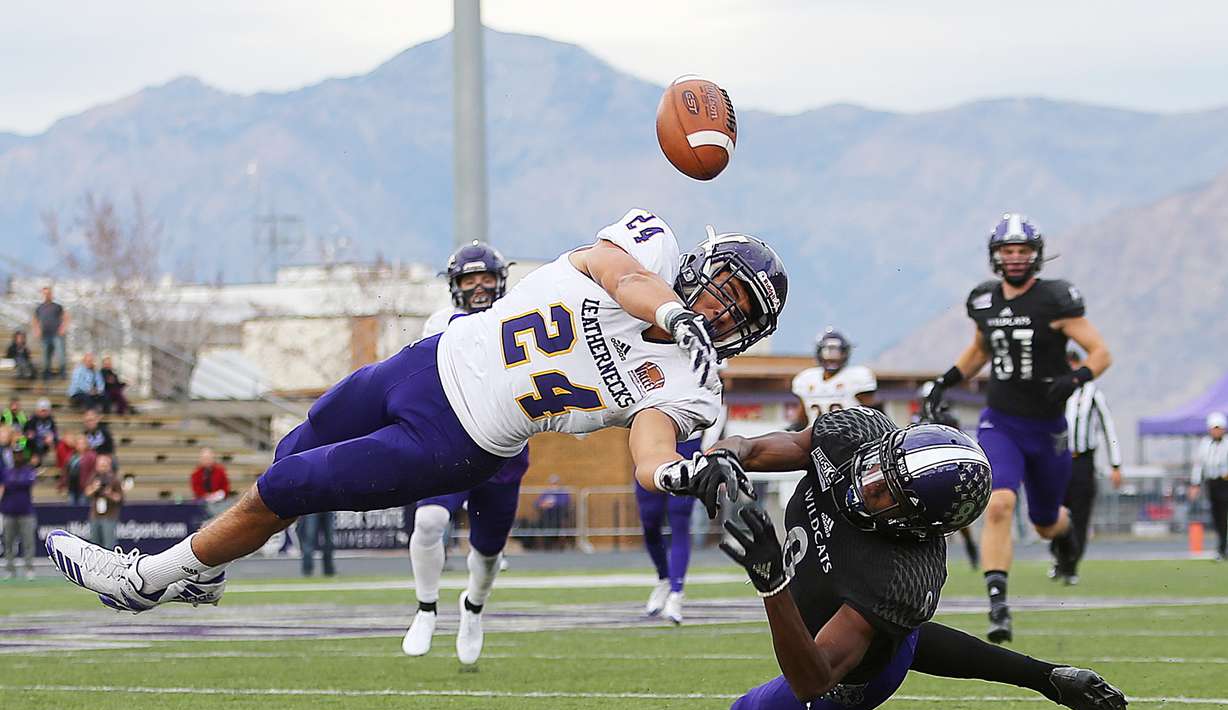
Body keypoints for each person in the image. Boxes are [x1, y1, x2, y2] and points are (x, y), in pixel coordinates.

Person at [46, 209, 790, 615]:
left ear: (746, 335)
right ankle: (206, 574)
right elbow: (615, 273)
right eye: (724, 288)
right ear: (699, 266)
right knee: (296, 445)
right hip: (424, 364)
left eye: (738, 313)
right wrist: (668, 309)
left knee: (287, 487)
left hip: (459, 439)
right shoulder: (649, 248)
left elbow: (652, 445)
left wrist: (677, 476)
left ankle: (143, 579)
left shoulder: (694, 383)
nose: (720, 310)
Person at [693, 407, 1128, 710]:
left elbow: (812, 679)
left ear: (916, 525)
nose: (868, 486)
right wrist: (733, 452)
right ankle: (1051, 678)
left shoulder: (903, 573)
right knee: (900, 631)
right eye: (877, 469)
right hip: (865, 622)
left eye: (886, 495)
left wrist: (774, 585)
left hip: (855, 672)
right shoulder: (857, 433)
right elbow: (790, 443)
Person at [923, 213, 1112, 643]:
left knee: (1045, 521)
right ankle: (998, 604)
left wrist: (1076, 378)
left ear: (1036, 255)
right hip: (1001, 420)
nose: (1014, 258)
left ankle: (1064, 538)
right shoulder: (985, 301)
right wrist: (946, 380)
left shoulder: (1055, 300)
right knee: (1000, 503)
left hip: (1046, 428)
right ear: (995, 256)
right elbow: (979, 350)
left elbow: (1100, 352)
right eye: (1007, 251)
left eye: (1022, 251)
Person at [403, 241, 530, 665]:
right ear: (455, 285)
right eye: (469, 279)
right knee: (429, 519)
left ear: (500, 281)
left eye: (486, 278)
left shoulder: (519, 314)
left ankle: (473, 609)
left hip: (506, 445)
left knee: (489, 553)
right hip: (453, 441)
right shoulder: (442, 323)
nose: (478, 286)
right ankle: (425, 608)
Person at [1052, 346, 1123, 584]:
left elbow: (1108, 428)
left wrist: (1116, 464)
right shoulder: (1059, 392)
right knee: (1055, 511)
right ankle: (1059, 559)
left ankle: (1071, 566)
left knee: (1080, 514)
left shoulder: (1093, 393)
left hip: (1083, 460)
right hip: (1060, 459)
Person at [913, 381, 979, 569]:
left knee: (956, 515)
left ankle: (969, 546)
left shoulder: (948, 419)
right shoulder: (916, 419)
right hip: (922, 472)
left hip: (946, 471)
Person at [638, 432, 702, 625]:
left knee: (680, 523)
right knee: (649, 522)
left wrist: (706, 453)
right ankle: (664, 577)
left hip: (688, 448)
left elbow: (718, 413)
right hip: (652, 447)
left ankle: (676, 594)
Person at [790, 327, 877, 428]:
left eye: (837, 352)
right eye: (827, 352)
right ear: (819, 352)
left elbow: (873, 414)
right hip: (814, 437)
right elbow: (802, 420)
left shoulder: (857, 376)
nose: (832, 358)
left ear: (845, 353)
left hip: (850, 437)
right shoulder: (806, 378)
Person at [1189, 412, 1228, 560]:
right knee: (1217, 517)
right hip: (1212, 483)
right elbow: (1199, 466)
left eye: (1219, 428)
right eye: (1214, 428)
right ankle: (1222, 548)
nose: (1216, 431)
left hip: (1226, 482)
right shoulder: (1205, 444)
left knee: (1225, 516)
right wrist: (1195, 484)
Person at [1, 450, 39, 580]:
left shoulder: (29, 470)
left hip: (26, 512)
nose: (17, 457)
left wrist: (13, 483)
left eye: (19, 454)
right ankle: (9, 569)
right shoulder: (7, 471)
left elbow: (27, 483)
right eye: (15, 455)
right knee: (8, 542)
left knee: (28, 542)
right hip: (9, 512)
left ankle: (29, 569)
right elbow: (6, 484)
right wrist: (14, 483)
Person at [84, 453, 124, 550]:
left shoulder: (114, 480)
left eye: (104, 465)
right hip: (95, 515)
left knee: (109, 544)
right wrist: (94, 488)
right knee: (94, 544)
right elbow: (87, 493)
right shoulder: (93, 478)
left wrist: (109, 494)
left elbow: (119, 498)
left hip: (109, 516)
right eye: (100, 465)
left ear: (109, 466)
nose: (102, 468)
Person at [31, 285, 68, 379]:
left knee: (60, 354)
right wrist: (36, 329)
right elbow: (35, 319)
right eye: (45, 293)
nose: (47, 295)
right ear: (42, 295)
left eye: (49, 293)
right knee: (45, 355)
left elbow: (66, 317)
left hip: (56, 334)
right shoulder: (39, 308)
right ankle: (46, 373)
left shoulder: (57, 306)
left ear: (51, 295)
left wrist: (63, 328)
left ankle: (62, 372)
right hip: (45, 335)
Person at [190, 448, 232, 516]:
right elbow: (196, 489)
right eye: (204, 459)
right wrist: (206, 496)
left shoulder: (220, 471)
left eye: (208, 458)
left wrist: (217, 494)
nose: (207, 461)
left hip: (220, 502)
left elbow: (226, 487)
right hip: (202, 503)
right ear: (200, 460)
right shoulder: (196, 474)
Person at [61, 433, 96, 506]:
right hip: (72, 487)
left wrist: (90, 485)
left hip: (84, 488)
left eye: (82, 443)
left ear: (86, 444)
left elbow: (94, 472)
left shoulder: (91, 456)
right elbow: (66, 471)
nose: (80, 445)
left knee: (82, 507)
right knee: (71, 507)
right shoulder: (71, 456)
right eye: (78, 443)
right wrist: (64, 484)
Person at [297, 512, 335, 577]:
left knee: (329, 540)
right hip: (313, 508)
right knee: (309, 539)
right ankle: (307, 571)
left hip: (328, 508)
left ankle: (329, 571)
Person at [22, 398, 58, 463]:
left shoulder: (51, 421)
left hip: (45, 445)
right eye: (42, 410)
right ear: (37, 410)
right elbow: (27, 433)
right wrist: (29, 434)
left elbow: (55, 433)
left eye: (45, 410)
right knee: (26, 441)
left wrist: (52, 436)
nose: (44, 413)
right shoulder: (32, 420)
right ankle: (29, 458)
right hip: (34, 445)